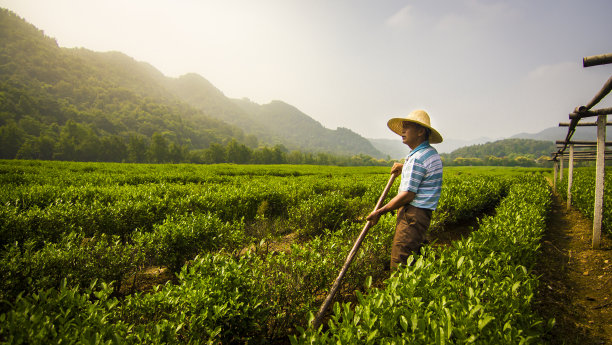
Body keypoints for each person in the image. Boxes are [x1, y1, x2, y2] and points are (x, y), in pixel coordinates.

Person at [366, 109, 443, 270]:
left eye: (407, 127)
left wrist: (379, 212)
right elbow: (422, 171)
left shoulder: (416, 159)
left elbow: (408, 195)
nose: (402, 131)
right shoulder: (430, 153)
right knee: (417, 259)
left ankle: (398, 292)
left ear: (421, 131)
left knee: (400, 261)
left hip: (412, 215)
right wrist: (405, 166)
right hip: (423, 216)